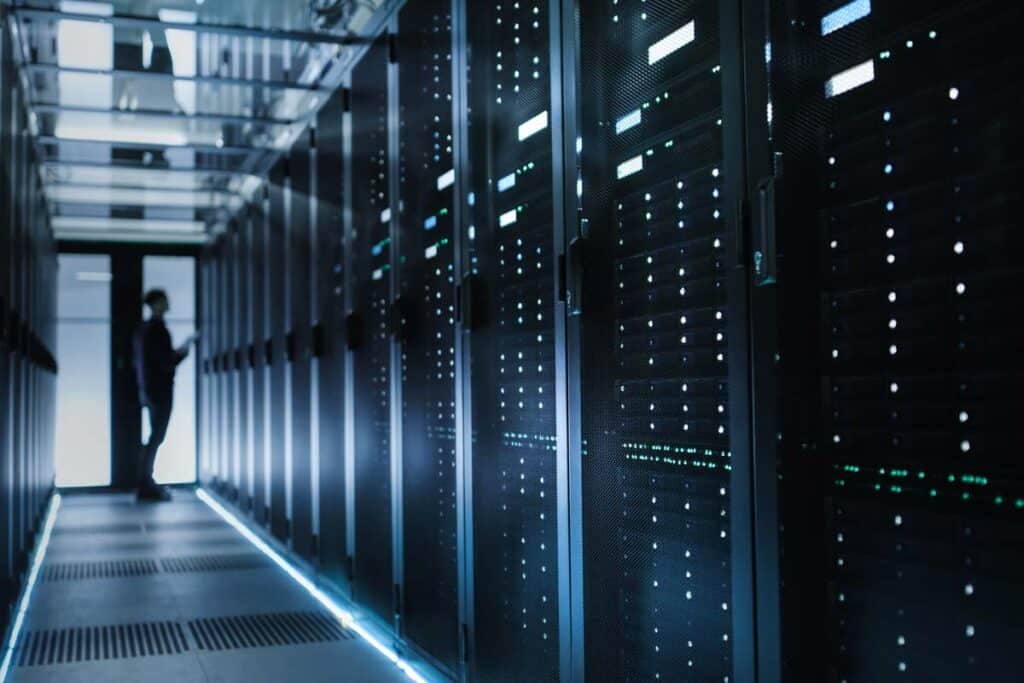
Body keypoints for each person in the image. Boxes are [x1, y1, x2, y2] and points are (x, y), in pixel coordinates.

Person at [132, 289, 197, 502]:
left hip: (150, 389)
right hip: (160, 390)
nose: (168, 302)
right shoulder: (157, 330)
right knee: (157, 435)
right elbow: (167, 362)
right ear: (156, 303)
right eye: (164, 300)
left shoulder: (143, 329)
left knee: (155, 435)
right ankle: (145, 483)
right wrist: (185, 349)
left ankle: (145, 481)